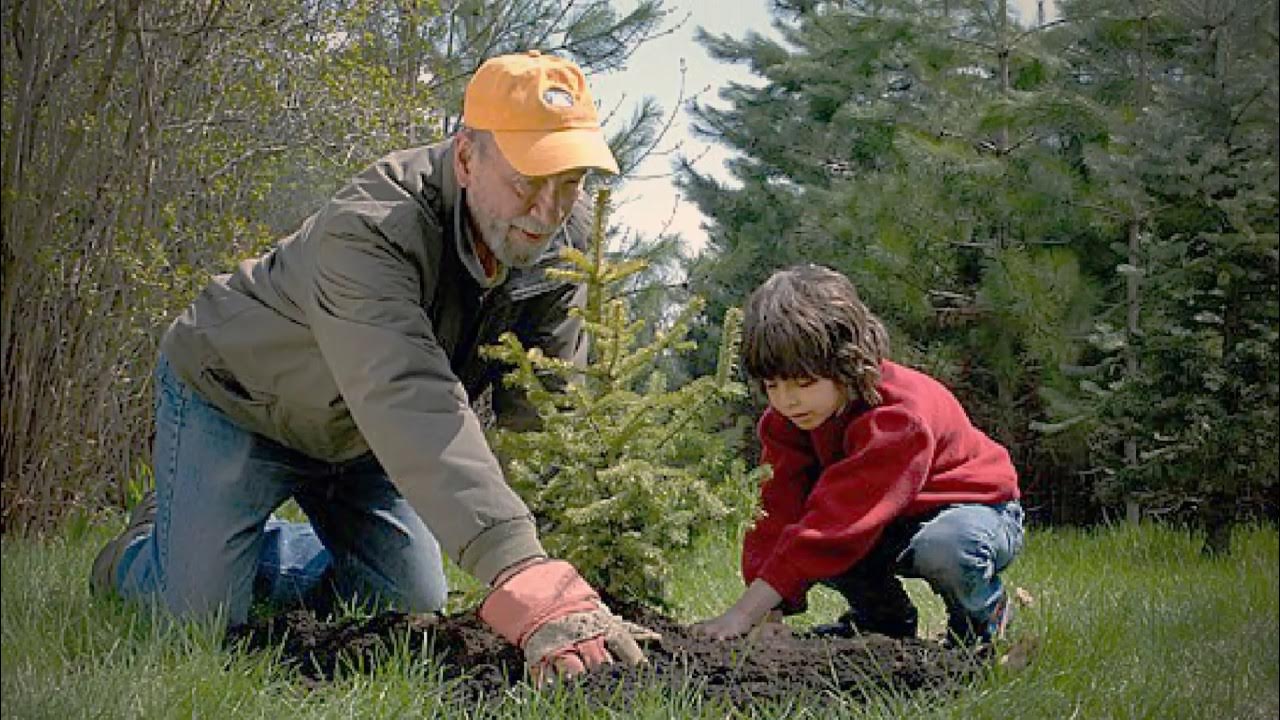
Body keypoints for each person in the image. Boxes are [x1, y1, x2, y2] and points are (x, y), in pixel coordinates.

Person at [90, 50, 652, 681]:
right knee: (198, 618)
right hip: (242, 402)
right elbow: (406, 390)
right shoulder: (375, 227)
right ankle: (144, 550)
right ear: (467, 157)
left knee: (410, 604)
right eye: (527, 181)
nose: (546, 211)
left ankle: (240, 546)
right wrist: (517, 566)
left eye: (568, 181)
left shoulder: (558, 241)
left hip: (362, 439)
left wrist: (563, 556)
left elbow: (545, 403)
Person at [693, 264, 1024, 646]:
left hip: (974, 511)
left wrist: (741, 613)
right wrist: (769, 614)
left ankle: (981, 624)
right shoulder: (787, 422)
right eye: (772, 385)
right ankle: (883, 625)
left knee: (944, 549)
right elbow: (776, 512)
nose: (788, 399)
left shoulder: (898, 417)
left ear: (847, 363)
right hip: (880, 518)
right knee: (809, 543)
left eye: (805, 382)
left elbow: (838, 524)